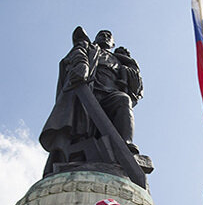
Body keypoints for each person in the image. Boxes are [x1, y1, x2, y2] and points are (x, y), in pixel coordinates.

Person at [40, 27, 143, 175]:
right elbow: (77, 53)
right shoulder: (89, 47)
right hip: (88, 92)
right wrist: (83, 65)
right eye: (102, 34)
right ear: (96, 38)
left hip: (110, 95)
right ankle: (77, 155)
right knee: (81, 127)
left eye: (109, 35)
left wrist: (129, 61)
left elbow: (136, 88)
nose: (106, 36)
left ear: (113, 44)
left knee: (123, 100)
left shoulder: (120, 61)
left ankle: (124, 146)